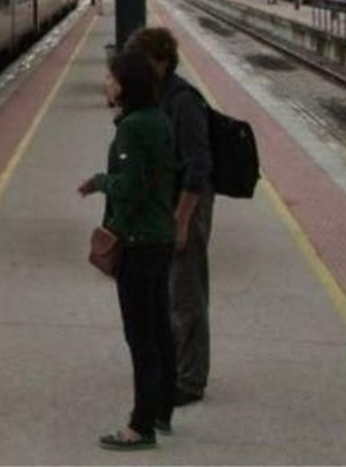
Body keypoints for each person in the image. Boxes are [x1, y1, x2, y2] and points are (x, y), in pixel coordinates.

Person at [79, 49, 177, 450]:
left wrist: (102, 182)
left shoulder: (132, 129)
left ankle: (140, 427)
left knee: (140, 337)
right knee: (159, 329)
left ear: (127, 86)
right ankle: (161, 412)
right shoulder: (159, 120)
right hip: (161, 238)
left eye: (112, 78)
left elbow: (131, 187)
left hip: (137, 243)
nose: (108, 83)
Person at [125, 27, 212, 407]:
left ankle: (190, 381)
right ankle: (173, 367)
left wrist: (181, 220)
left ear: (161, 61)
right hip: (165, 206)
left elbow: (198, 167)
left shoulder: (184, 102)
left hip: (186, 205)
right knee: (167, 292)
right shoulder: (159, 96)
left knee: (187, 293)